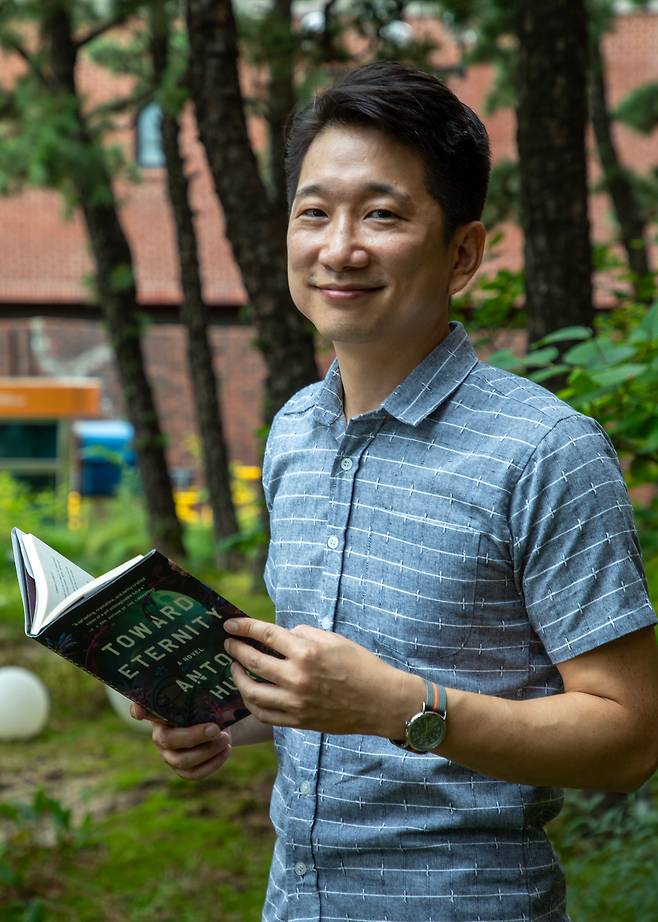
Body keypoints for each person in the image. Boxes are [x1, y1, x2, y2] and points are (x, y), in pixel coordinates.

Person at [133, 62, 658, 921]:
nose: (339, 247)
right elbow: (325, 694)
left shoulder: (546, 452)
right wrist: (216, 712)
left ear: (462, 253)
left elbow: (631, 735)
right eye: (314, 213)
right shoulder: (294, 433)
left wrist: (400, 707)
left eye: (382, 214)